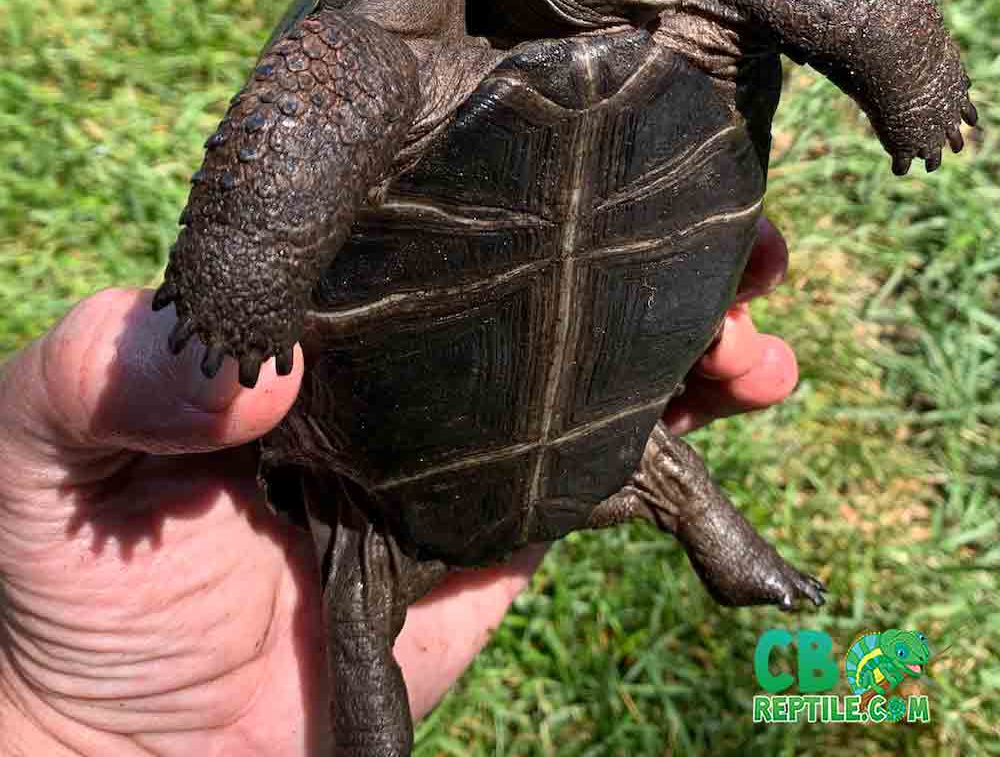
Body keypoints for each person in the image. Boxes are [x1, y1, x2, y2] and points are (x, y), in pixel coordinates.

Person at [0, 220, 798, 755]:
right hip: (382, 494)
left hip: (535, 429)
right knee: (359, 619)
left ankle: (726, 551)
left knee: (665, 464)